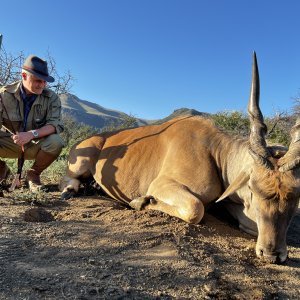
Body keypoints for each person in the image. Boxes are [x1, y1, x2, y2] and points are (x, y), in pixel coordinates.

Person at [0, 55, 64, 192]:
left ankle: (33, 175)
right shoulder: (3, 95)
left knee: (56, 141)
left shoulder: (52, 98)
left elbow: (54, 125)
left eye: (44, 82)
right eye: (37, 80)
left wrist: (31, 134)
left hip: (36, 145)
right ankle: (2, 171)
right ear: (24, 76)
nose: (42, 85)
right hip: (10, 143)